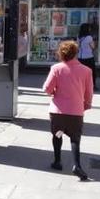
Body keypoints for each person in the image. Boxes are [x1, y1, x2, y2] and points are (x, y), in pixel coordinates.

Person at [42, 40, 93, 181]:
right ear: (76, 53)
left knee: (57, 135)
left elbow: (47, 88)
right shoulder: (87, 71)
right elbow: (89, 93)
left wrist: (54, 92)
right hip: (76, 111)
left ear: (61, 53)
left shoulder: (56, 68)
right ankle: (77, 165)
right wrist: (86, 105)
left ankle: (57, 161)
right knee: (75, 139)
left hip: (57, 111)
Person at [77, 23, 97, 90]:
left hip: (80, 57)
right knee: (91, 72)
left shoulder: (79, 37)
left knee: (81, 72)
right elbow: (93, 47)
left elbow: (78, 46)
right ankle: (92, 85)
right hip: (89, 57)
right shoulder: (89, 37)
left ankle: (81, 85)